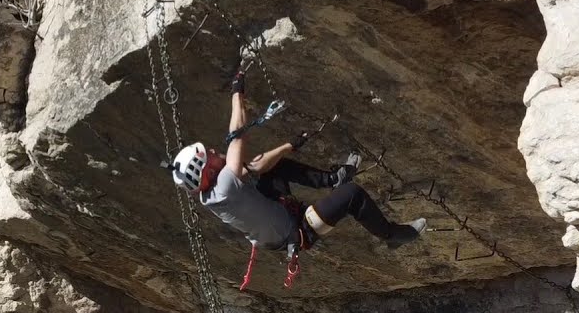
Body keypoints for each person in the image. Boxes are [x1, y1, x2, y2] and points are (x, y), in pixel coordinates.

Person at [169, 70, 425, 288]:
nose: (214, 152)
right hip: (299, 229)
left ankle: (334, 178)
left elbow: (254, 165)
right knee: (353, 196)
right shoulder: (224, 187)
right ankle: (390, 235)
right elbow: (237, 136)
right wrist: (237, 91)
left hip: (279, 216)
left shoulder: (212, 194)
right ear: (207, 172)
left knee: (271, 168)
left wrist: (288, 146)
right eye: (210, 156)